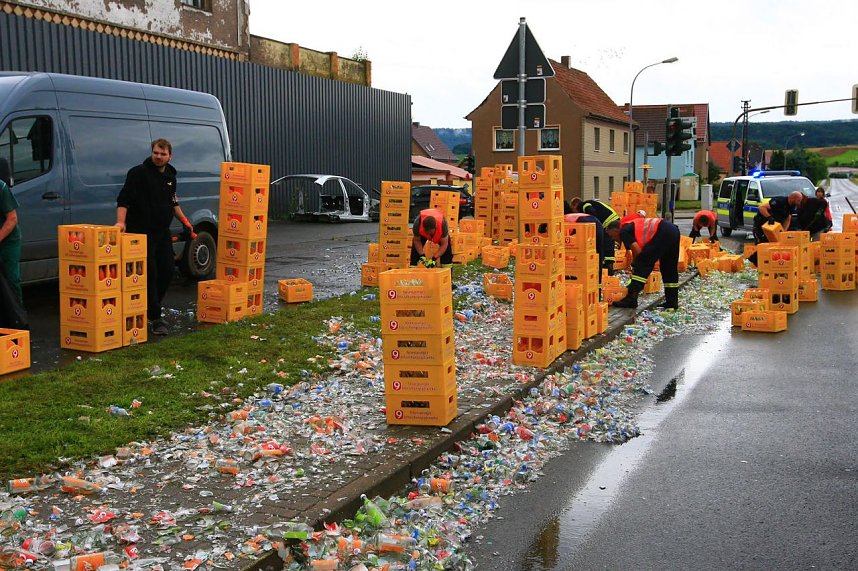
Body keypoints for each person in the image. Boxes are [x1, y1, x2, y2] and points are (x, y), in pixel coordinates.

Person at [116, 139, 194, 336]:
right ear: (152, 153)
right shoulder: (138, 173)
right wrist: (121, 222)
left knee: (167, 270)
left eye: (163, 154)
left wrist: (185, 221)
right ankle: (155, 317)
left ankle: (149, 307)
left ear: (170, 156)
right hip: (141, 233)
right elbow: (123, 199)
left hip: (162, 232)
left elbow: (173, 202)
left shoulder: (170, 176)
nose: (159, 157)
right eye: (156, 153)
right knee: (150, 274)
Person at [605, 216, 681, 309]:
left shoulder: (623, 231)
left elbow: (637, 250)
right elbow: (636, 250)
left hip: (662, 232)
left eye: (612, 236)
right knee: (669, 268)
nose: (614, 240)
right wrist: (635, 262)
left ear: (616, 231)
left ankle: (631, 299)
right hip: (673, 230)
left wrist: (636, 265)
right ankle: (672, 302)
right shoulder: (630, 225)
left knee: (643, 264)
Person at [748, 191, 803, 266]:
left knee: (773, 246)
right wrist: (769, 217)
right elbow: (762, 208)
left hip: (774, 228)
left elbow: (788, 218)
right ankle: (755, 261)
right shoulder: (779, 201)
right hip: (762, 226)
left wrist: (783, 231)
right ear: (793, 198)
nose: (799, 202)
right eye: (799, 200)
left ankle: (761, 263)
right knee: (763, 244)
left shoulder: (792, 206)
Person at [568, 197, 620, 274]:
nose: (573, 211)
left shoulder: (584, 205)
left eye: (573, 209)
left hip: (608, 221)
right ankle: (608, 268)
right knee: (608, 245)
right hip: (611, 219)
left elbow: (592, 214)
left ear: (575, 205)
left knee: (606, 245)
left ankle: (607, 269)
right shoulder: (590, 203)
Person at [0, 158, 23, 307]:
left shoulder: (1, 188)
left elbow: (12, 218)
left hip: (9, 241)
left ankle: (18, 315)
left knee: (11, 279)